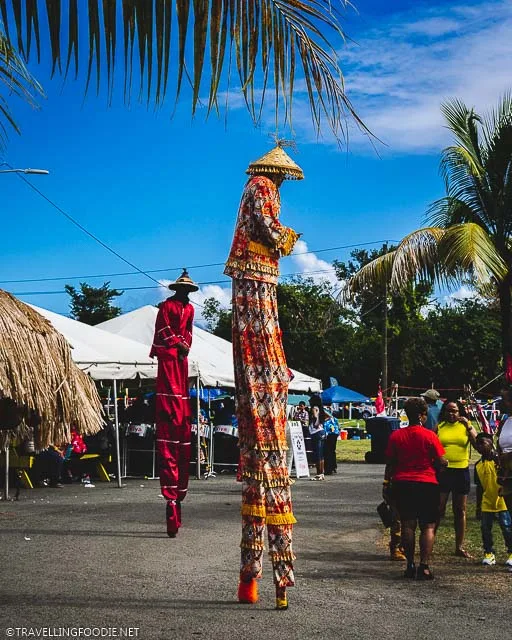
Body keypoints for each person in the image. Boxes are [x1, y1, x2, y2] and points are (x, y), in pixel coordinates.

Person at [224, 143, 302, 610]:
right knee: (260, 335)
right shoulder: (261, 187)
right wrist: (290, 237)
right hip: (256, 275)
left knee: (261, 339)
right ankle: (273, 582)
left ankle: (251, 580)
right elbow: (272, 231)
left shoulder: (256, 187)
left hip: (257, 279)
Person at [150, 269, 198, 538]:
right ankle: (171, 503)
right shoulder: (166, 306)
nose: (184, 294)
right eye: (182, 291)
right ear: (176, 290)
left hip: (180, 355)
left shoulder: (189, 310)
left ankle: (177, 501)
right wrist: (178, 343)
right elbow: (163, 330)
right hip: (169, 353)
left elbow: (189, 332)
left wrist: (185, 345)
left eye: (187, 291)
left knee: (181, 391)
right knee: (170, 386)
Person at [384, 397, 447, 580]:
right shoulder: (430, 436)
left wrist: (386, 484)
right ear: (422, 415)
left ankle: (410, 564)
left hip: (403, 483)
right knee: (428, 526)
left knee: (408, 525)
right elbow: (441, 460)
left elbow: (390, 463)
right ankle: (424, 566)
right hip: (427, 483)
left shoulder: (396, 436)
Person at [436, 400, 478, 558]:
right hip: (444, 472)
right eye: (448, 411)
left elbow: (477, 444)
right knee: (439, 509)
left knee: (460, 510)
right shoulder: (440, 427)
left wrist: (469, 425)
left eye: (454, 411)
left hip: (461, 471)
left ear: (460, 412)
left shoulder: (465, 426)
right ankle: (430, 541)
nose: (451, 414)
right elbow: (432, 446)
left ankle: (459, 546)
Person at [474, 432, 512, 567]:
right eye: (477, 444)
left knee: (507, 527)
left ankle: (511, 552)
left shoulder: (501, 462)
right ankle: (489, 553)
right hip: (487, 501)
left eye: (483, 443)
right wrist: (478, 506)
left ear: (491, 443)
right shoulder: (478, 465)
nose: (479, 447)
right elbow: (479, 487)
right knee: (485, 528)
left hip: (502, 500)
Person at [497, 387, 512, 513]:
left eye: (506, 400)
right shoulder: (506, 421)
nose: (503, 403)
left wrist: (509, 455)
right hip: (507, 474)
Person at [309, 406, 326, 481]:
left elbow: (315, 425)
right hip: (320, 433)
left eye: (314, 410)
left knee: (318, 455)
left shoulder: (316, 416)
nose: (312, 411)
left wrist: (316, 414)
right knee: (321, 455)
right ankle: (321, 473)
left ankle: (319, 473)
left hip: (317, 434)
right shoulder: (319, 416)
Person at [323, 407, 339, 476]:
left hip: (329, 435)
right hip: (334, 434)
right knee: (332, 451)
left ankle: (329, 469)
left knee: (327, 452)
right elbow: (338, 426)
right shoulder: (334, 419)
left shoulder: (326, 420)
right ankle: (333, 466)